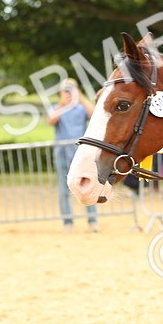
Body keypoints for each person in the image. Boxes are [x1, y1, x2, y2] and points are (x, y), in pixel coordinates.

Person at [47, 79, 99, 232]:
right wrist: (62, 104)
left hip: (81, 154)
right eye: (65, 90)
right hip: (62, 153)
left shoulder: (81, 108)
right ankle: (68, 222)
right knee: (64, 190)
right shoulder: (56, 108)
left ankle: (93, 220)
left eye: (71, 90)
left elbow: (95, 114)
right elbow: (50, 120)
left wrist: (81, 97)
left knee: (88, 186)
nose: (68, 93)